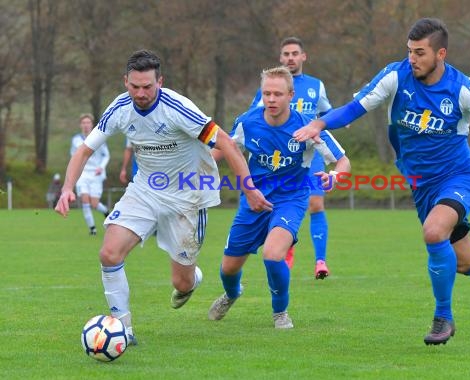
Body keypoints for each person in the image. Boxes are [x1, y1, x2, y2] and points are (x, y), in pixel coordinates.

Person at [293, 18, 470, 345]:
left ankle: (443, 318)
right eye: (409, 51)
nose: (413, 59)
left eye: (420, 53)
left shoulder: (463, 88)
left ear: (441, 54)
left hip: (460, 178)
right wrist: (319, 123)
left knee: (434, 232)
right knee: (464, 261)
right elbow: (354, 109)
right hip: (422, 187)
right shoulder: (395, 76)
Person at [55, 49, 269, 345]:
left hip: (188, 197)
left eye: (147, 87)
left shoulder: (178, 108)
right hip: (145, 190)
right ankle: (124, 330)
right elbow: (84, 150)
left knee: (180, 283)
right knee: (109, 253)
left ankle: (192, 279)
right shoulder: (119, 108)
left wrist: (249, 188)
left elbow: (227, 144)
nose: (140, 93)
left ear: (160, 82)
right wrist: (68, 187)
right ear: (125, 82)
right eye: (134, 86)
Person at [208, 66, 350, 328]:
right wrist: (197, 167)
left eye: (277, 94)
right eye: (266, 93)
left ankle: (280, 313)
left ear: (291, 95)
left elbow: (342, 161)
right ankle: (231, 293)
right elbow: (223, 149)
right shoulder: (247, 123)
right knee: (228, 269)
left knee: (273, 255)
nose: (271, 99)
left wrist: (334, 176)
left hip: (290, 200)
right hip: (253, 201)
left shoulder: (308, 127)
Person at [250, 36, 341, 279]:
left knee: (316, 204)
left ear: (303, 57)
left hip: (311, 154)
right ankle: (286, 245)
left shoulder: (316, 85)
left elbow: (327, 113)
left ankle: (320, 261)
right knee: (284, 201)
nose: (290, 57)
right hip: (283, 156)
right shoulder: (272, 87)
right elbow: (253, 115)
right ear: (281, 58)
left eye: (294, 53)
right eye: (286, 54)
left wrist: (338, 121)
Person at [69, 113, 111, 235]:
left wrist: (101, 167)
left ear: (92, 124)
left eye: (88, 123)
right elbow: (73, 156)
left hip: (96, 174)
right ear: (80, 125)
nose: (86, 125)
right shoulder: (76, 140)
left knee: (94, 203)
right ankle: (92, 229)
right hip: (82, 174)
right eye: (84, 123)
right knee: (85, 201)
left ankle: (106, 213)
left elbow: (106, 155)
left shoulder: (98, 137)